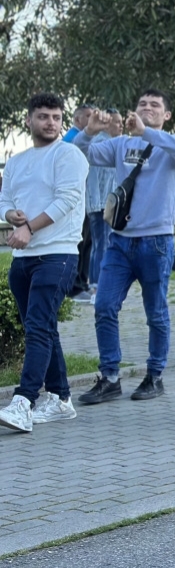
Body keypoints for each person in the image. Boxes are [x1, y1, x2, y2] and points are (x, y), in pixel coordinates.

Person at [75, 91, 175, 405]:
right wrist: (90, 130)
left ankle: (155, 376)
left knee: (155, 313)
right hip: (119, 242)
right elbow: (79, 153)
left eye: (155, 105)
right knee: (104, 307)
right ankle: (110, 377)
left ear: (166, 115)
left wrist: (146, 132)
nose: (148, 108)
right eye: (143, 104)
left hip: (156, 242)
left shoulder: (170, 146)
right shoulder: (120, 144)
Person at [0, 93, 89, 433]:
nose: (50, 122)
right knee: (42, 328)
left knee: (38, 326)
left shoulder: (68, 154)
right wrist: (10, 214)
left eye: (55, 116)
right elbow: (4, 198)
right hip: (23, 258)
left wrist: (27, 227)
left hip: (58, 253)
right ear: (29, 120)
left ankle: (24, 402)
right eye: (43, 116)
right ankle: (61, 398)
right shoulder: (18, 160)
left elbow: (67, 200)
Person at [77, 109, 122, 305]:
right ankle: (96, 286)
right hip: (99, 203)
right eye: (117, 122)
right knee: (100, 244)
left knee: (105, 243)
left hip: (109, 203)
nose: (121, 125)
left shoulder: (115, 143)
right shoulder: (99, 143)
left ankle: (101, 284)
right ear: (108, 123)